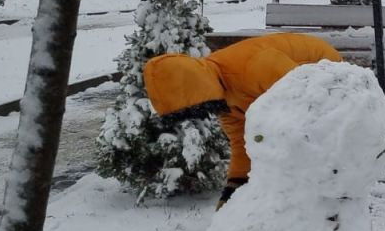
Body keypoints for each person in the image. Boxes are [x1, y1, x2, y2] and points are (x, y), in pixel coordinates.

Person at [143, 33, 343, 207]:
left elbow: (305, 100)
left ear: (198, 92)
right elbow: (241, 142)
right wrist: (234, 188)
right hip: (301, 89)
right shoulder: (222, 96)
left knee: (295, 140)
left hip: (327, 72)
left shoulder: (255, 67)